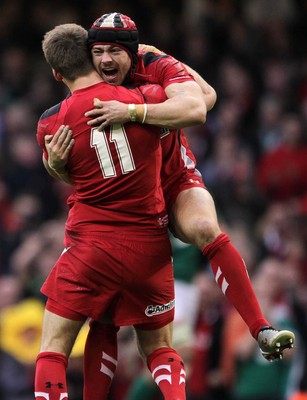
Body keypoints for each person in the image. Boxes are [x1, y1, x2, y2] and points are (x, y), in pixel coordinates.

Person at [50, 12, 295, 400]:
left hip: (172, 179)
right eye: (98, 51)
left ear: (133, 50)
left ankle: (261, 329)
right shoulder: (87, 84)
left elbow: (203, 104)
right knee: (106, 311)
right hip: (123, 203)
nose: (106, 60)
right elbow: (78, 164)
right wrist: (55, 165)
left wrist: (133, 112)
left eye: (115, 50)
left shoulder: (153, 63)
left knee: (204, 228)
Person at [34, 22, 200, 400]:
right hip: (150, 247)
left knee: (53, 349)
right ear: (94, 53)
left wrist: (54, 166)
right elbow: (198, 103)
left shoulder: (50, 122)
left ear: (57, 73)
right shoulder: (147, 97)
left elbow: (72, 172)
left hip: (92, 246)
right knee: (158, 348)